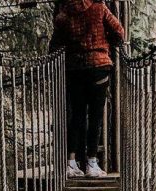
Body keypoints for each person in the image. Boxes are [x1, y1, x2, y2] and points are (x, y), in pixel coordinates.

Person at [49, 0, 126, 178]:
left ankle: (71, 162)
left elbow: (55, 45)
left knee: (76, 116)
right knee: (96, 117)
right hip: (98, 68)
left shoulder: (63, 15)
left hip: (75, 70)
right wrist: (108, 40)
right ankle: (92, 163)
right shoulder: (99, 8)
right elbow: (119, 32)